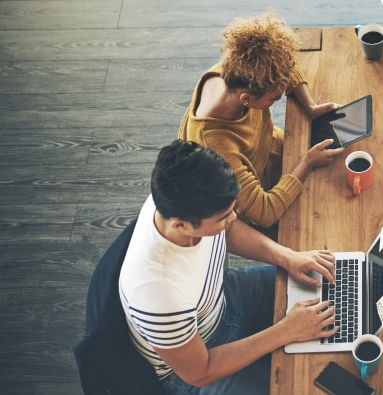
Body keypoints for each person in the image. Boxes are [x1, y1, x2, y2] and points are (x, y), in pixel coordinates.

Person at [119, 140, 338, 393]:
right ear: (181, 225)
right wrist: (286, 331)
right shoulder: (157, 295)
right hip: (201, 357)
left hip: (221, 297)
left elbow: (229, 229)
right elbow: (200, 372)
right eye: (223, 216)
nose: (232, 218)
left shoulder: (179, 197)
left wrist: (287, 257)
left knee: (328, 283)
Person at [179, 13, 345, 230]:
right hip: (260, 188)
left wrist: (311, 107)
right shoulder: (215, 146)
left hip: (276, 150)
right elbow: (264, 213)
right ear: (247, 99)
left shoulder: (239, 68)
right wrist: (307, 163)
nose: (281, 95)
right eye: (275, 98)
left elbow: (286, 70)